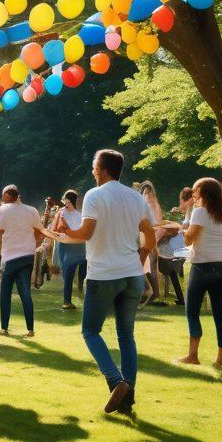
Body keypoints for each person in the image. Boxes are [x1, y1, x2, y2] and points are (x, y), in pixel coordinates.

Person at [59, 149, 157, 414]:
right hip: (131, 274)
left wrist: (64, 232)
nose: (92, 170)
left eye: (94, 166)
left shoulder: (94, 195)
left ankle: (116, 382)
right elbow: (150, 234)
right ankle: (128, 396)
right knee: (126, 335)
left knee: (90, 331)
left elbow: (86, 233)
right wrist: (141, 258)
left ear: (103, 170)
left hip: (104, 274)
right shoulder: (135, 198)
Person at [179, 177, 222, 368]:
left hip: (203, 265)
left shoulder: (200, 212)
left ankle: (193, 356)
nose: (193, 195)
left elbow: (189, 240)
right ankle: (221, 359)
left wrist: (182, 230)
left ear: (204, 193)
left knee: (192, 311)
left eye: (196, 191)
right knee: (220, 313)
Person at [0, 185, 47, 336]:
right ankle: (30, 329)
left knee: (5, 292)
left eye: (3, 195)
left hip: (11, 257)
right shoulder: (32, 210)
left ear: (9, 195)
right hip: (28, 256)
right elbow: (40, 233)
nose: (2, 198)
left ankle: (4, 328)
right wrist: (33, 247)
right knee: (25, 293)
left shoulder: (2, 210)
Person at [52, 190, 87, 310]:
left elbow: (82, 228)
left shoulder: (81, 213)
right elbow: (59, 228)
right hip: (68, 245)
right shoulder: (63, 213)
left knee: (83, 271)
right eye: (65, 202)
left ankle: (81, 291)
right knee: (68, 274)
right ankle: (67, 301)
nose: (66, 205)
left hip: (81, 245)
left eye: (68, 203)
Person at [137, 182, 167, 306]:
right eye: (145, 193)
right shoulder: (142, 206)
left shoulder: (154, 206)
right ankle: (148, 292)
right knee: (143, 269)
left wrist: (154, 243)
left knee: (150, 269)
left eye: (149, 193)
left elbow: (158, 226)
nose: (147, 196)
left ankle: (155, 294)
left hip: (151, 242)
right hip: (142, 242)